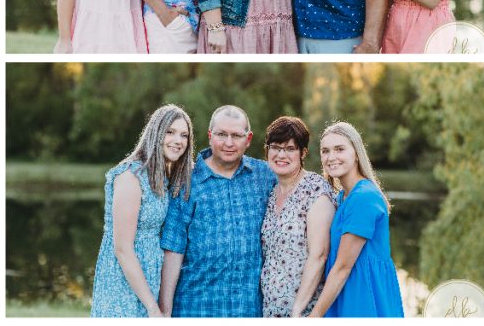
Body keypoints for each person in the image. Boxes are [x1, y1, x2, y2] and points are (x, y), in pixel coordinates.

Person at [159, 105, 276, 317]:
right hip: (196, 308)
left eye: (236, 136)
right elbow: (173, 249)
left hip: (248, 310)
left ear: (248, 139)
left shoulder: (265, 175)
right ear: (210, 136)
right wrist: (164, 313)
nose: (228, 143)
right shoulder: (185, 181)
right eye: (222, 134)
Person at [91, 104, 194, 317]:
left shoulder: (161, 174)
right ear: (156, 134)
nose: (178, 140)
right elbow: (123, 249)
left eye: (184, 135)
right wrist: (152, 307)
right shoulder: (131, 177)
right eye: (170, 132)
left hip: (149, 275)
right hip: (124, 282)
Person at [310, 122, 403, 317]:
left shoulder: (363, 197)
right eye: (325, 151)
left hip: (364, 296)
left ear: (356, 153)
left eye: (340, 149)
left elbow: (343, 267)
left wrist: (314, 316)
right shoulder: (343, 196)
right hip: (346, 291)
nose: (331, 157)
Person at [260, 116, 336, 317]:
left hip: (303, 311)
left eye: (290, 148)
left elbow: (319, 255)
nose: (281, 154)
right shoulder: (271, 192)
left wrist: (297, 311)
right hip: (269, 309)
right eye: (275, 147)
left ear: (303, 153)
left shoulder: (316, 190)